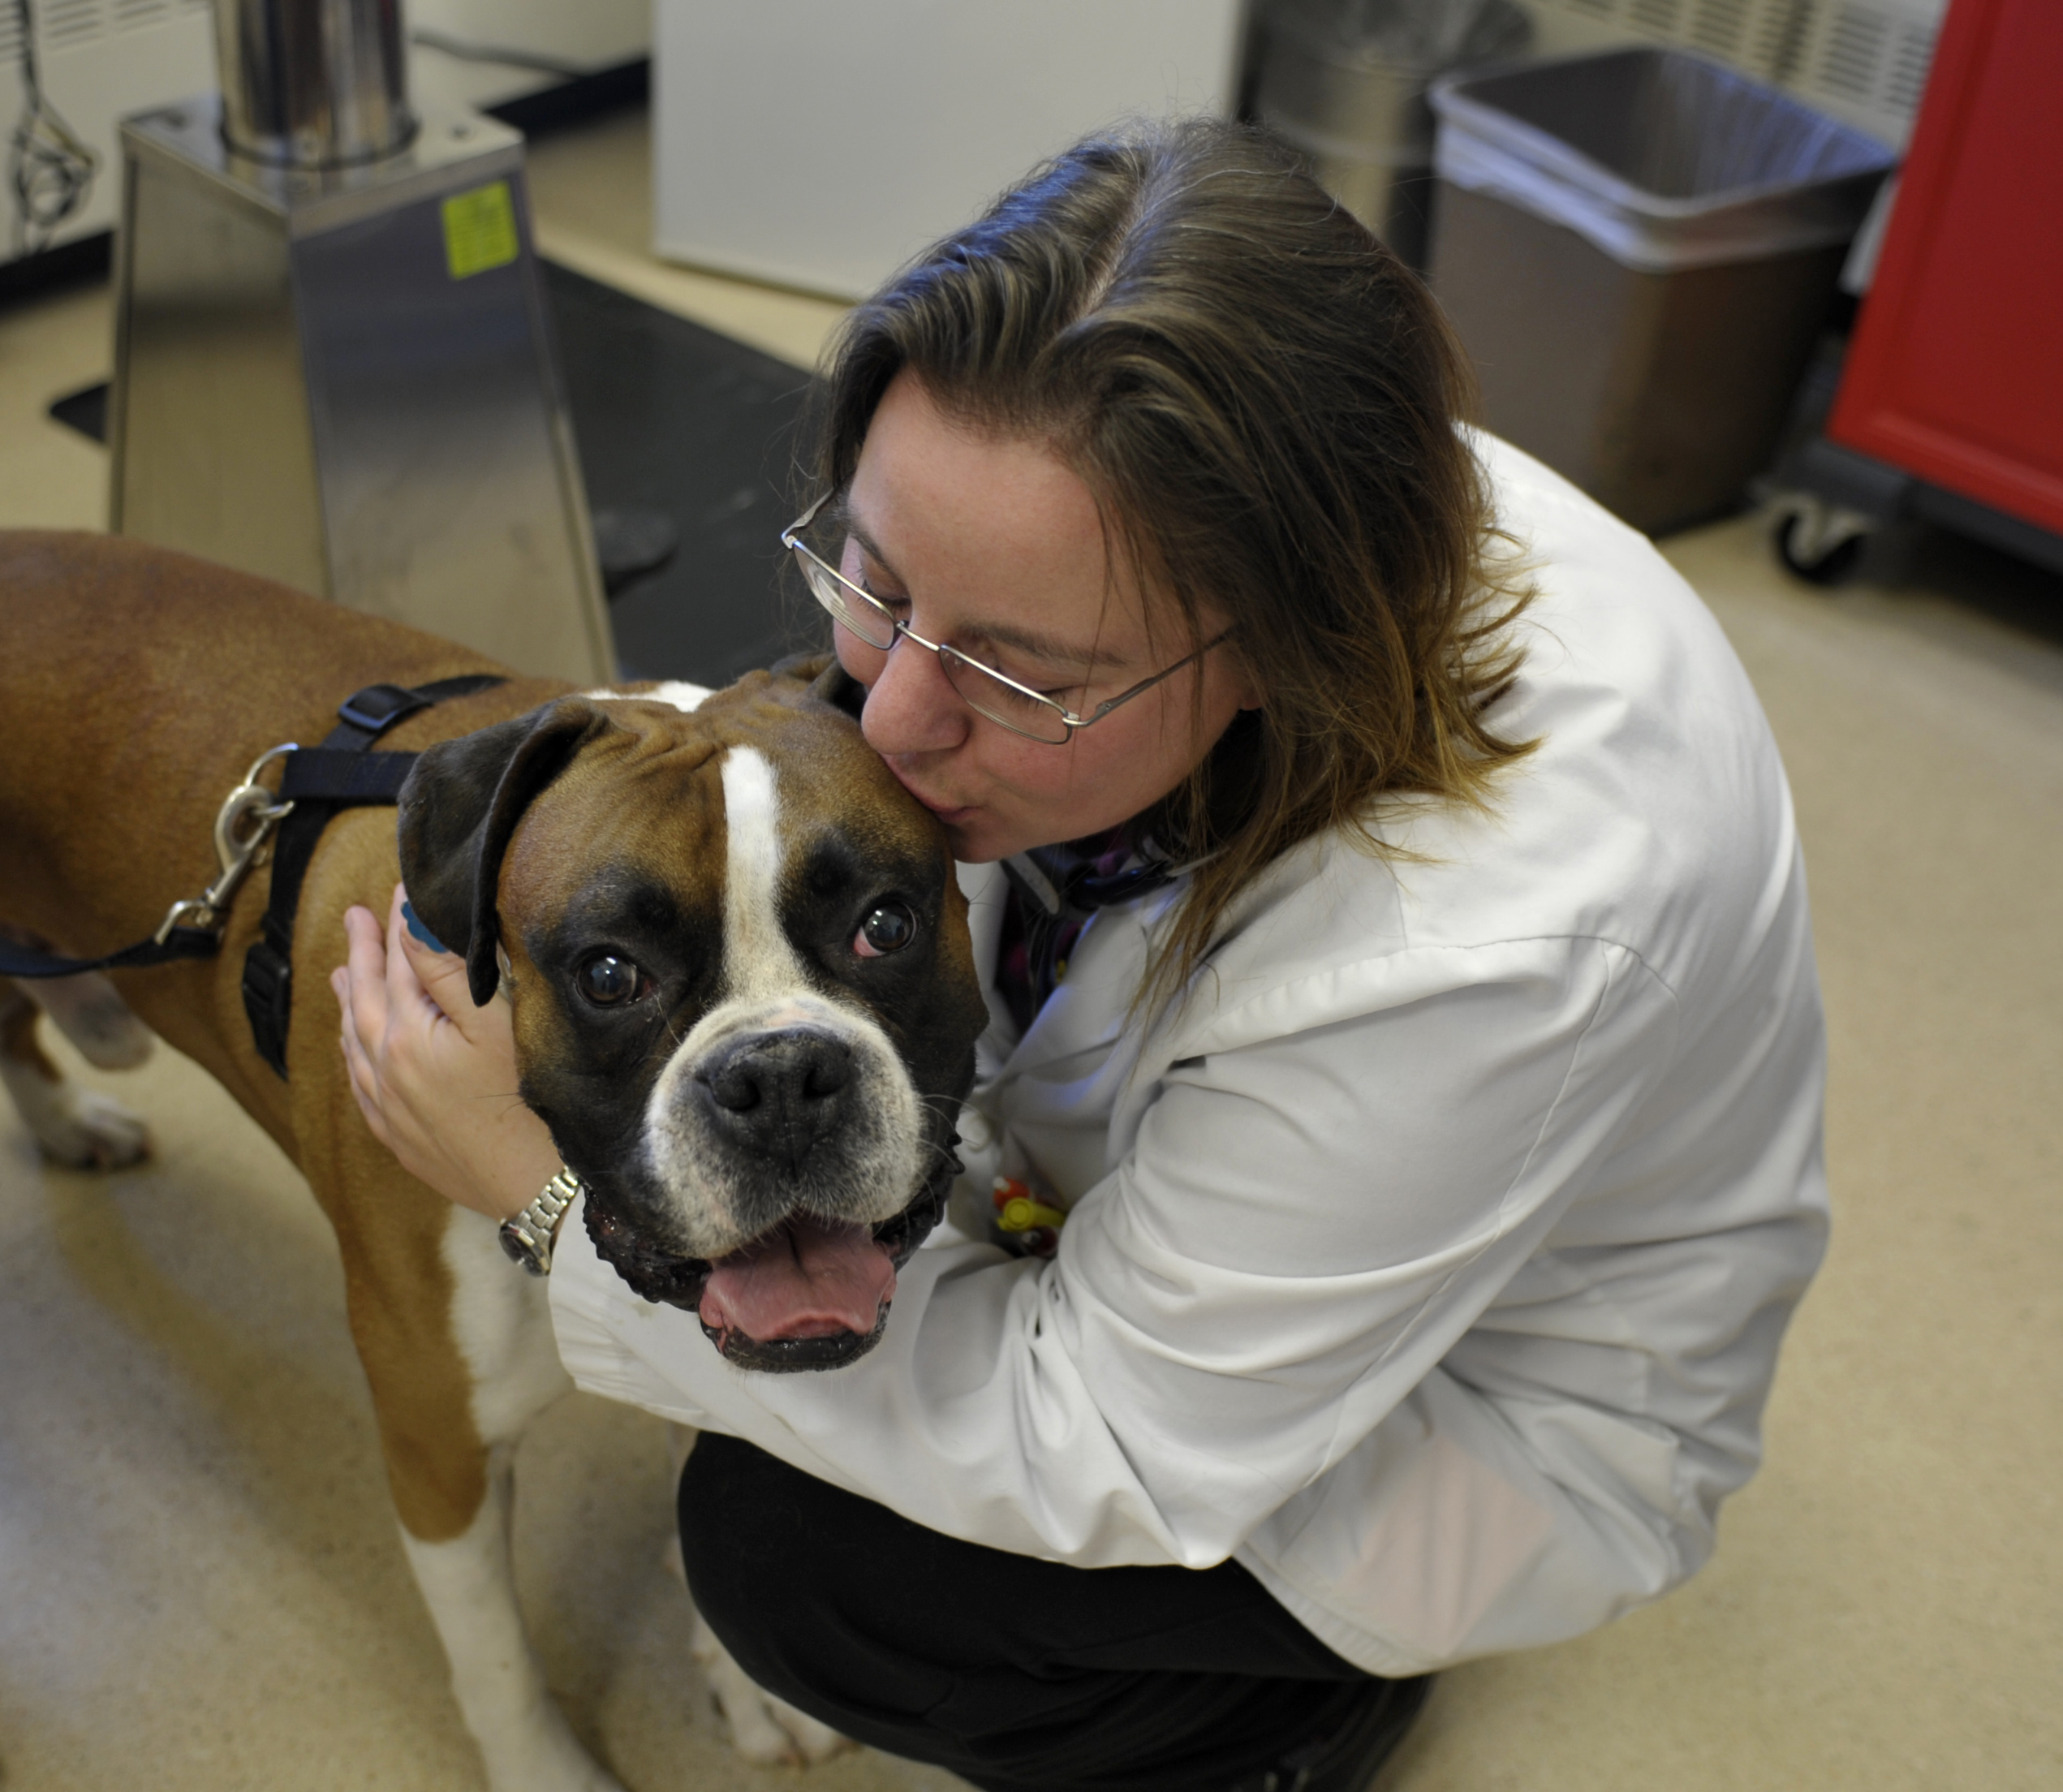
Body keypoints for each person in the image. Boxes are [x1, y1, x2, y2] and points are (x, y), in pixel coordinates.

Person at [335, 118, 1828, 1792]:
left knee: (799, 1561)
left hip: (1461, 1408)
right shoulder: (1191, 489)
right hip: (1161, 1168)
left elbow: (1110, 1441)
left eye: (1020, 674)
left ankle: (1276, 1731)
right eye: (873, 579)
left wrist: (549, 1207)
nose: (887, 717)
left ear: (1285, 638)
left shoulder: (1482, 942)